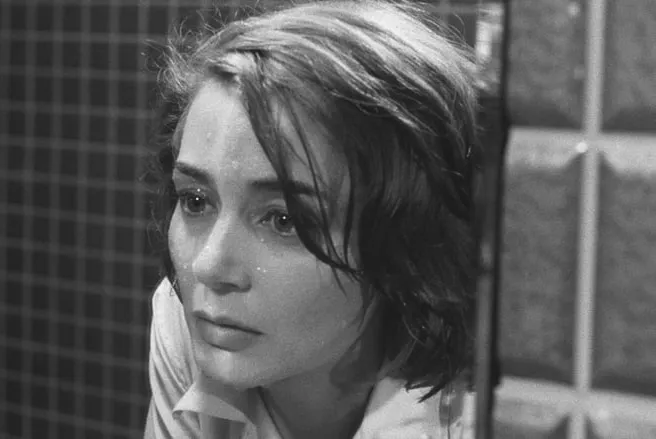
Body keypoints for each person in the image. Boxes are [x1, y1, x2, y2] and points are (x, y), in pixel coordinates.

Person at [144, 1, 481, 437]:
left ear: (409, 247)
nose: (207, 266)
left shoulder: (481, 416)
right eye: (195, 201)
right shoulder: (188, 323)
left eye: (284, 220)